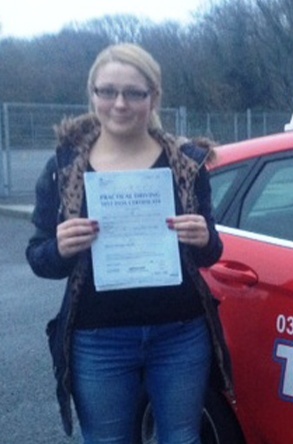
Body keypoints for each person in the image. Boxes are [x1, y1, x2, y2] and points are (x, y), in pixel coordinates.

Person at [25, 43, 233, 444]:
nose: (119, 103)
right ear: (93, 95)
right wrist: (60, 248)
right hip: (98, 338)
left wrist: (205, 238)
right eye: (107, 91)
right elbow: (39, 257)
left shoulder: (186, 165)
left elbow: (212, 252)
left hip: (180, 332)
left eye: (134, 93)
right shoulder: (64, 168)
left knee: (182, 438)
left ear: (153, 96)